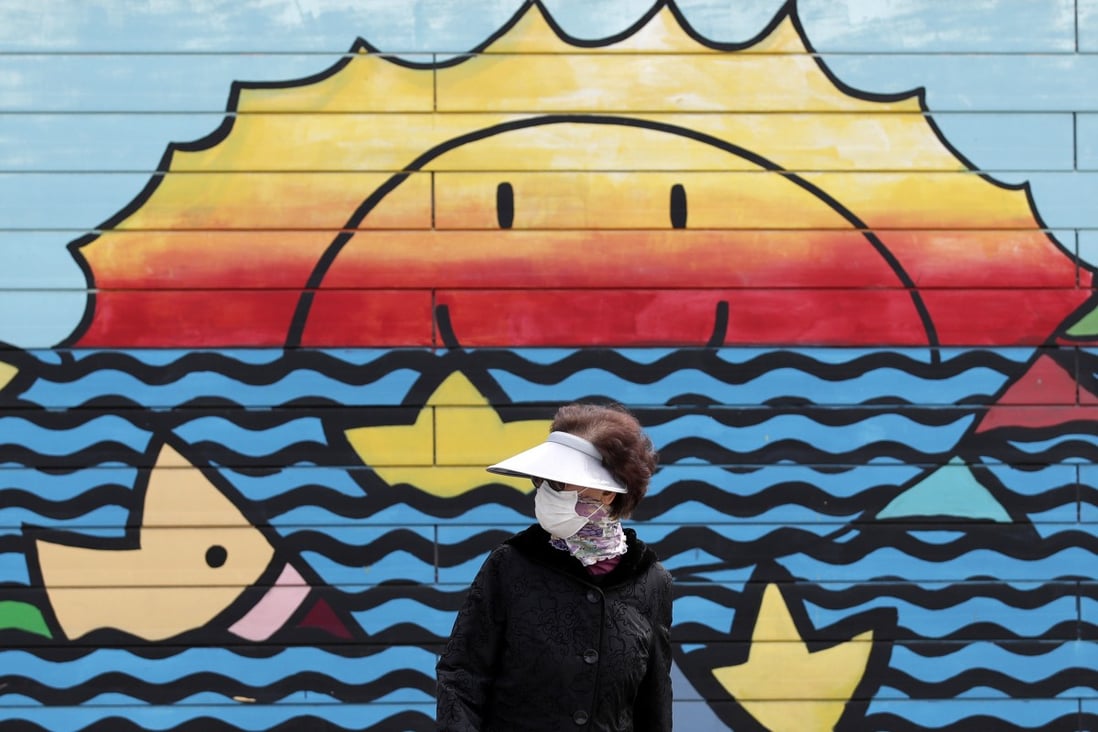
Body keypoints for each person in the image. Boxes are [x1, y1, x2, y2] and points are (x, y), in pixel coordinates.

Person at [436, 402, 673, 731]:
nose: (546, 492)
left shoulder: (650, 581)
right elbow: (461, 677)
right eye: (541, 479)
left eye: (560, 483)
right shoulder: (510, 565)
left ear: (606, 493)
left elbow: (654, 704)